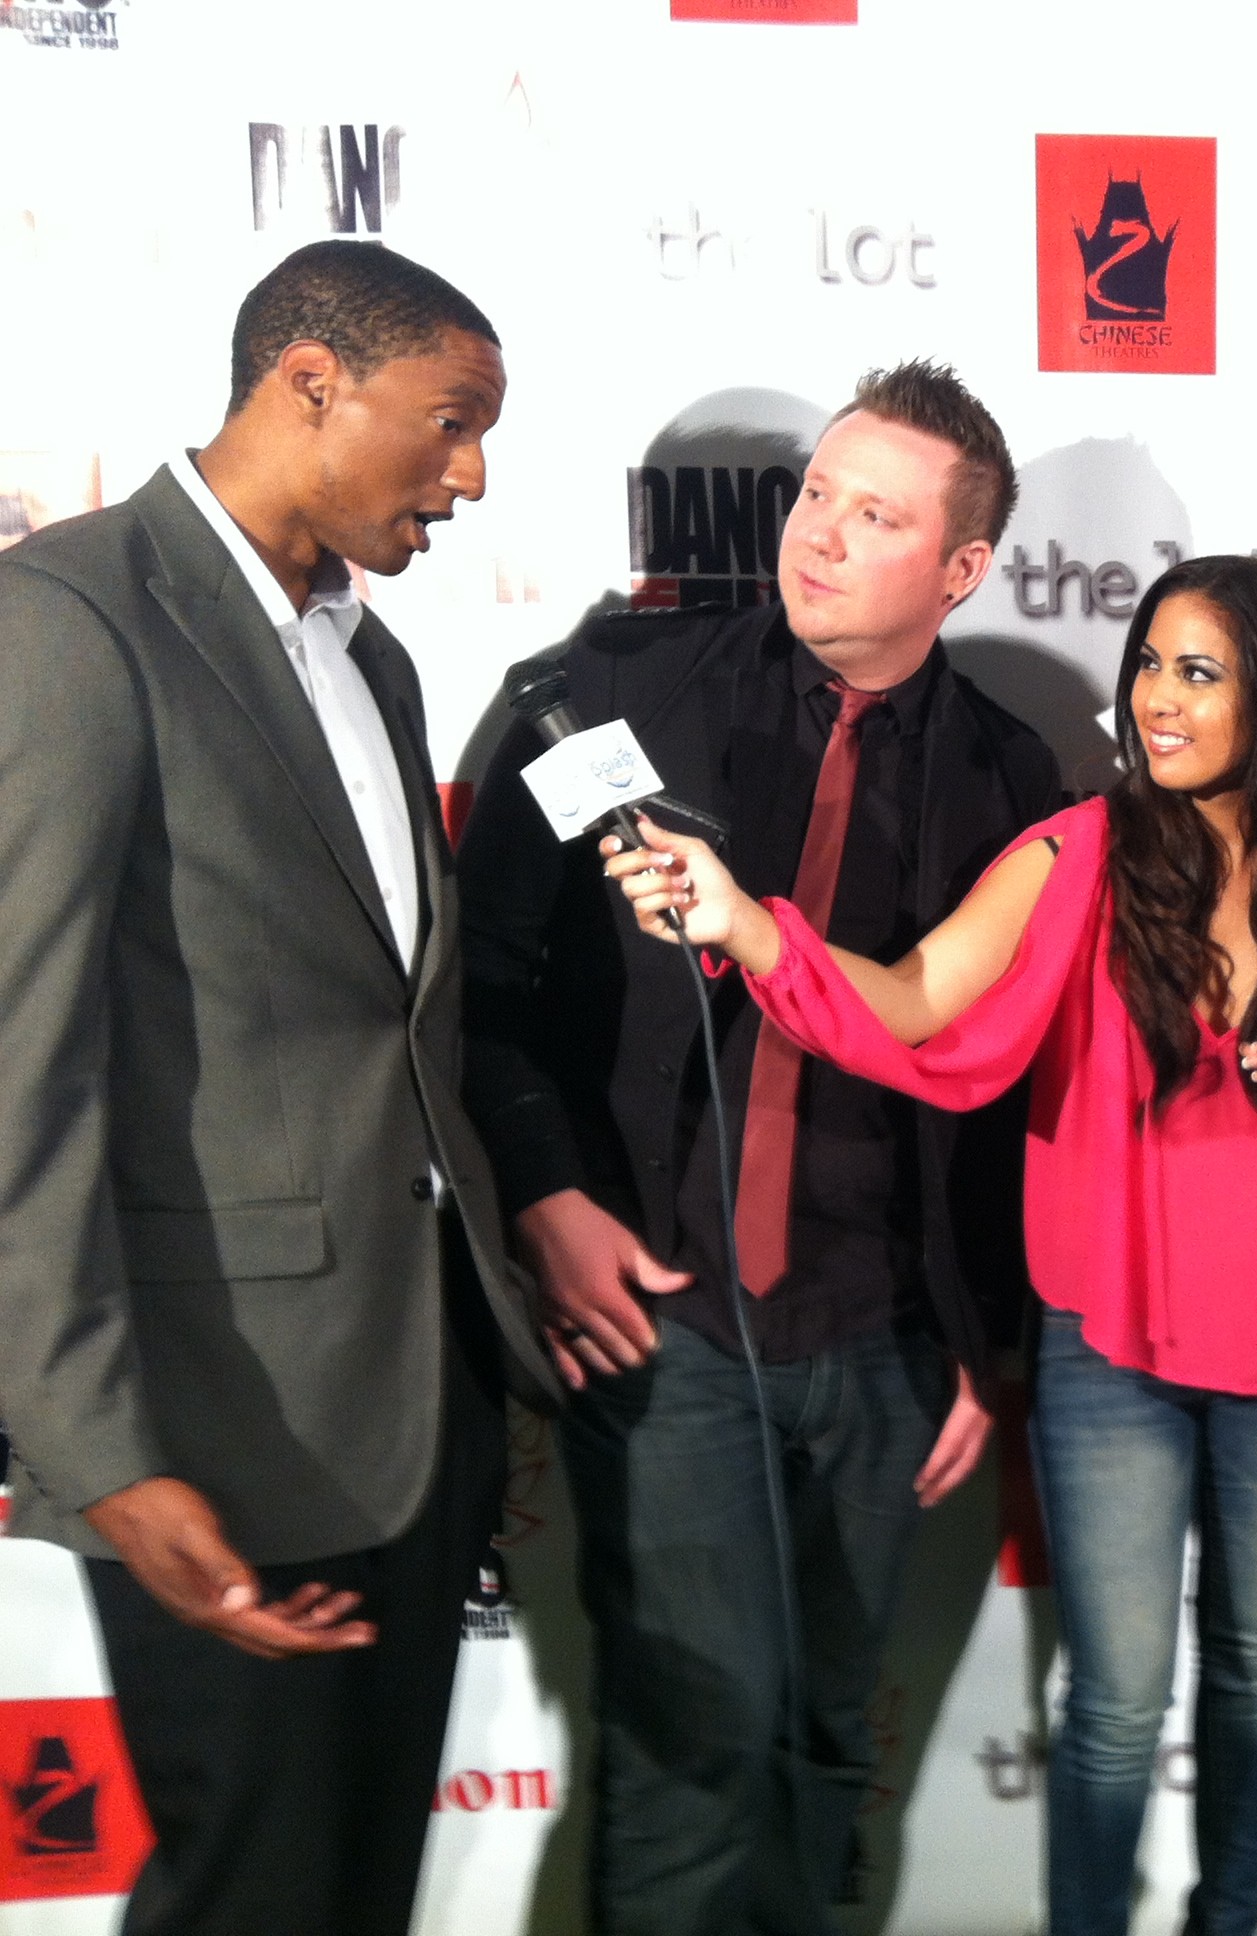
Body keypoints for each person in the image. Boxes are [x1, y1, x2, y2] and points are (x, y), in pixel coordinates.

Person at [608, 553, 1257, 1936]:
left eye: (1199, 672)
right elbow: (924, 991)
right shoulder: (1084, 851)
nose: (1155, 703)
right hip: (1108, 1348)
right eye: (1151, 666)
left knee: (1256, 1671)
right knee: (1115, 1700)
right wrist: (750, 926)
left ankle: (1228, 1919)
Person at [456, 362, 1059, 1935]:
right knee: (687, 1755)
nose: (822, 538)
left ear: (963, 569)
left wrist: (975, 1347)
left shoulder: (1015, 781)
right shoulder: (603, 695)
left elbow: (993, 1092)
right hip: (666, 1316)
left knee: (817, 1744)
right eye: (814, 495)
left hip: (879, 1343)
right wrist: (549, 1200)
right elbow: (482, 991)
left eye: (878, 516)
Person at [0, 240, 552, 1936]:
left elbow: (389, 1035)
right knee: (254, 1895)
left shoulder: (372, 659)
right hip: (218, 1420)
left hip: (411, 1412)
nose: (469, 477)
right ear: (311, 382)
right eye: (450, 425)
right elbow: (23, 1074)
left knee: (351, 1894)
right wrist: (93, 1450)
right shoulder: (74, 619)